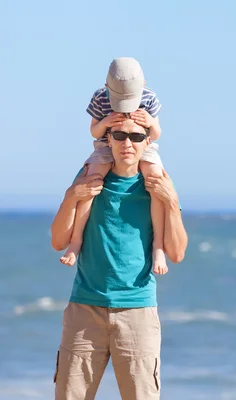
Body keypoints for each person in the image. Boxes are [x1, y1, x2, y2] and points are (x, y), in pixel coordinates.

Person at [50, 117, 188, 399]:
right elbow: (58, 242)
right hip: (85, 310)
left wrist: (172, 203)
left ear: (148, 142)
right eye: (120, 135)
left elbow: (176, 253)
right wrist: (71, 197)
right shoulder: (90, 175)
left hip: (137, 312)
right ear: (108, 139)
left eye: (136, 137)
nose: (127, 143)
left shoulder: (156, 181)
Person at [60, 57, 169, 276]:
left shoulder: (149, 97)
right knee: (91, 183)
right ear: (107, 85)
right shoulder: (101, 97)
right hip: (106, 142)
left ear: (143, 84)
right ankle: (75, 241)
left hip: (141, 142)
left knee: (156, 183)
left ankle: (158, 246)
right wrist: (106, 124)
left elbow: (156, 134)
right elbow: (94, 131)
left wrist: (148, 121)